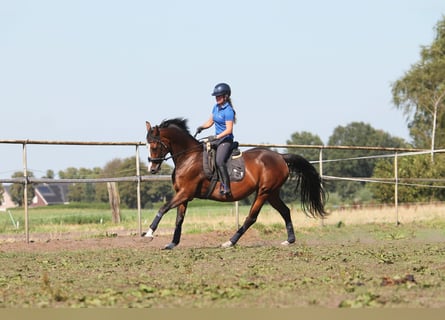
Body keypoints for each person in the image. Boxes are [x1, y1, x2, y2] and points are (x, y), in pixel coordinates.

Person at [196, 83, 236, 196]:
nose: (216, 98)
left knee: (219, 161)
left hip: (226, 140)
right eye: (216, 96)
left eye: (219, 96)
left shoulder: (229, 111)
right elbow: (210, 121)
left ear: (226, 96)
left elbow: (229, 130)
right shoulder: (216, 107)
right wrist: (202, 127)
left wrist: (216, 137)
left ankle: (226, 186)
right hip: (217, 139)